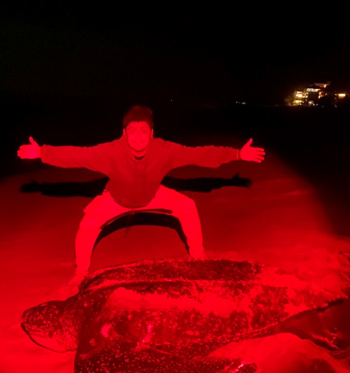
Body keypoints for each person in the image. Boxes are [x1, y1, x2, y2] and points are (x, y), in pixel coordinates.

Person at [17, 105, 265, 288]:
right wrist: (42, 152)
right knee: (88, 223)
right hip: (116, 198)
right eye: (132, 131)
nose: (138, 137)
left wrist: (237, 155)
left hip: (152, 195)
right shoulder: (110, 152)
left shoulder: (165, 150)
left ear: (152, 133)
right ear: (124, 133)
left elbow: (199, 155)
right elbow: (77, 155)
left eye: (143, 131)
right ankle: (80, 273)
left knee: (187, 206)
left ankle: (198, 257)